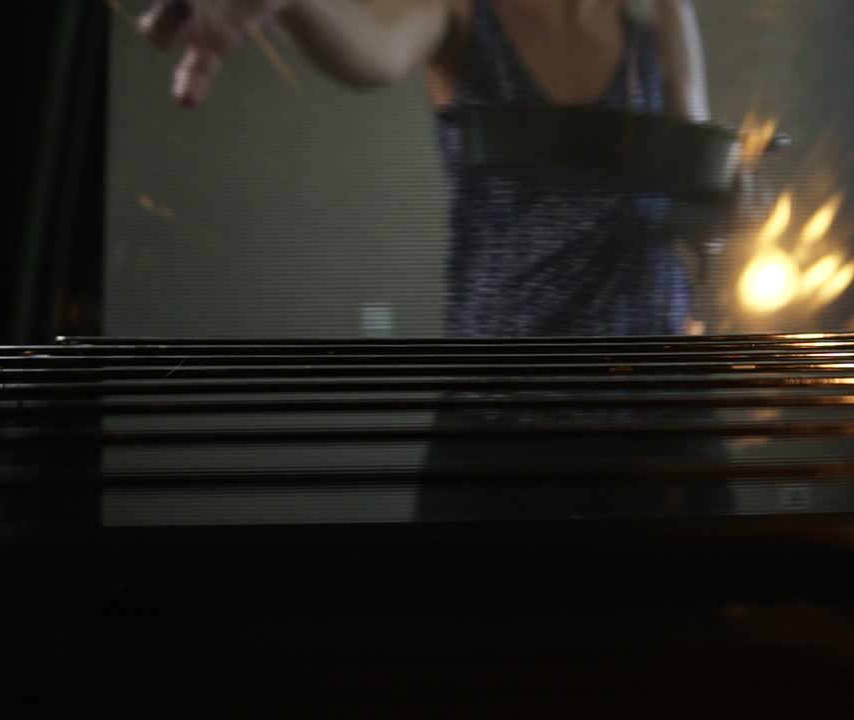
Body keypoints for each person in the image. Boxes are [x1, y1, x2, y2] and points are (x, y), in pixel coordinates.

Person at [139, 0, 731, 520]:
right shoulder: (460, 12)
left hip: (660, 427)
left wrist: (676, 18)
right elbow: (375, 49)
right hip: (498, 435)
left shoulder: (655, 28)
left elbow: (704, 205)